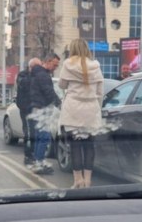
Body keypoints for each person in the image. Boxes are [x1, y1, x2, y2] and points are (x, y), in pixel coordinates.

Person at [58, 38, 104, 188]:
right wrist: (98, 109)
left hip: (73, 109)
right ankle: (88, 180)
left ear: (73, 49)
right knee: (89, 146)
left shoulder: (68, 64)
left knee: (75, 146)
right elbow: (100, 92)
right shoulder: (96, 66)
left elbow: (62, 85)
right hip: (91, 109)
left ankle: (78, 180)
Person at [28, 53, 61, 174]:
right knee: (44, 138)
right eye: (55, 65)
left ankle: (38, 163)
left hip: (37, 108)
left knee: (39, 138)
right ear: (48, 61)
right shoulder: (43, 75)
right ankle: (40, 164)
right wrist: (59, 104)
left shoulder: (38, 73)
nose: (55, 67)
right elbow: (49, 92)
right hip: (42, 109)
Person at [15, 57, 41, 166]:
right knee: (28, 133)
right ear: (31, 67)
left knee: (36, 132)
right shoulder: (23, 75)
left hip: (37, 108)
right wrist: (33, 74)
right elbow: (24, 84)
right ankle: (28, 156)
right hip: (26, 108)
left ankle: (36, 155)